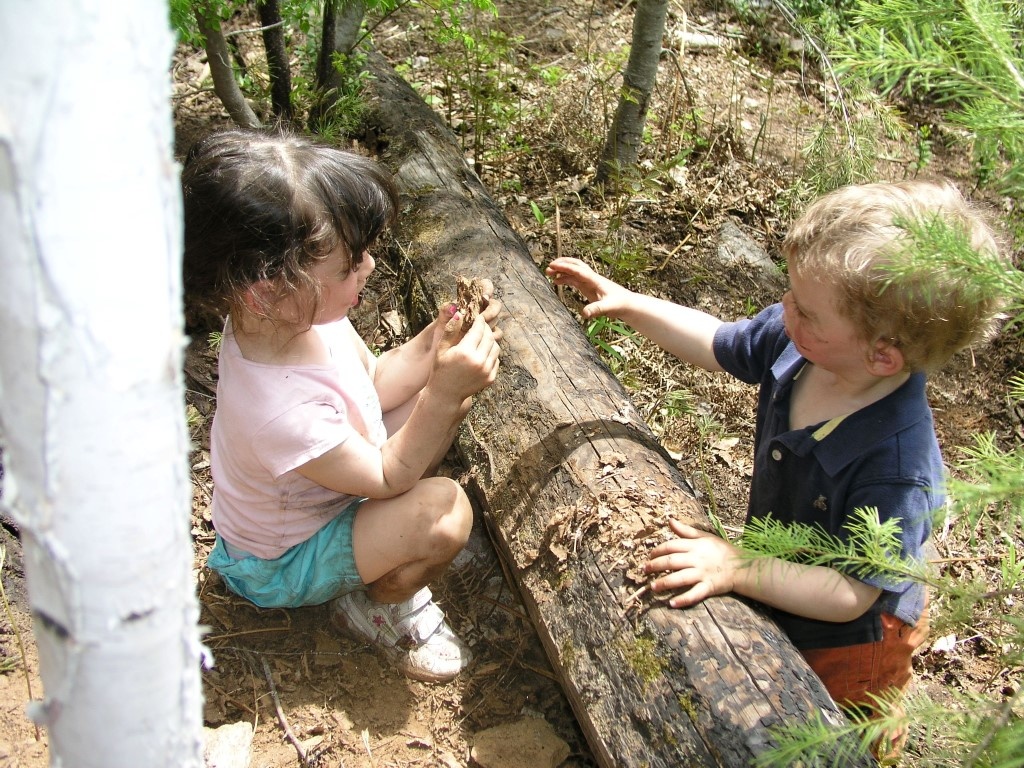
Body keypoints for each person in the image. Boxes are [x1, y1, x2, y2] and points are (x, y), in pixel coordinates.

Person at [546, 180, 1004, 753]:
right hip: (787, 576)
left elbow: (851, 593)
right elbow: (719, 341)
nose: (784, 310)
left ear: (882, 354)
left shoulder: (896, 463)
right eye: (790, 294)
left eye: (806, 309)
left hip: (853, 639)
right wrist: (631, 302)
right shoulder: (802, 343)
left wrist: (738, 568)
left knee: (835, 734)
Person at [182, 129, 503, 683]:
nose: (370, 268)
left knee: (421, 413)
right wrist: (445, 392)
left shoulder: (294, 315)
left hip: (326, 494)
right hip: (282, 561)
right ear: (268, 286)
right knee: (447, 511)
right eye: (350, 263)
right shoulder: (279, 410)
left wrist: (432, 343)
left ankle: (382, 547)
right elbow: (386, 475)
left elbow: (373, 383)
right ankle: (376, 604)